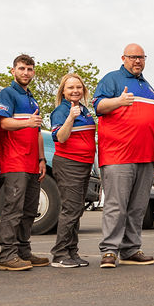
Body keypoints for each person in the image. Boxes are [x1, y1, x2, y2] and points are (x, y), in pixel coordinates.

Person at [92, 43, 154, 268]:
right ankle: (110, 251)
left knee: (137, 207)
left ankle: (131, 249)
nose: (137, 61)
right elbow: (98, 105)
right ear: (123, 58)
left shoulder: (150, 88)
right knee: (116, 205)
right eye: (133, 57)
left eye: (141, 57)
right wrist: (119, 101)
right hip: (118, 155)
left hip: (146, 156)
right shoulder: (112, 79)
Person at [0, 54, 51, 272]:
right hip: (15, 162)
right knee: (13, 210)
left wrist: (41, 158)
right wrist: (27, 122)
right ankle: (7, 255)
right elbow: (4, 123)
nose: (26, 72)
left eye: (29, 69)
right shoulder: (7, 94)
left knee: (29, 211)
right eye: (22, 68)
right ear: (13, 71)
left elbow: (36, 132)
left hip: (31, 162)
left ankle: (23, 251)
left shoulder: (32, 98)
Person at [49, 73, 97, 268]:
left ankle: (72, 251)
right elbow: (60, 137)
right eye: (70, 88)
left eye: (78, 87)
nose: (75, 90)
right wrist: (70, 118)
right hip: (69, 164)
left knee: (77, 210)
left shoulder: (84, 110)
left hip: (84, 164)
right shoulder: (61, 111)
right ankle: (60, 254)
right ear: (63, 91)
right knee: (70, 210)